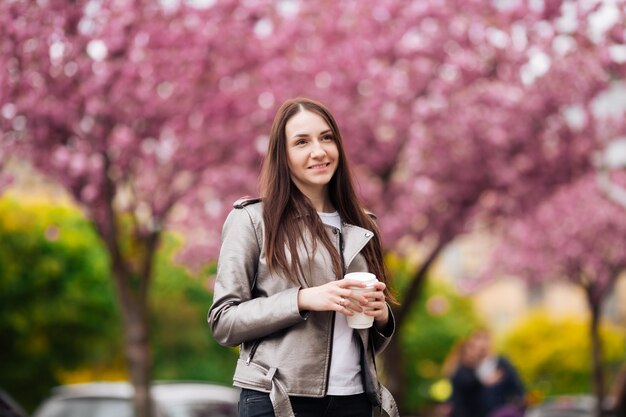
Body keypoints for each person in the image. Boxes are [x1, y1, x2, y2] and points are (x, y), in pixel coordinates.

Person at [208, 97, 398, 417]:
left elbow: (360, 341)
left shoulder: (365, 227)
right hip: (278, 400)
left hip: (355, 401)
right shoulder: (253, 220)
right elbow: (223, 322)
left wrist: (380, 317)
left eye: (326, 137)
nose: (319, 151)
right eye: (301, 142)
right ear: (283, 156)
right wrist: (303, 299)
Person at [472, 330, 526, 417]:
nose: (482, 343)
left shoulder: (502, 363)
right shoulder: (470, 367)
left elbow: (517, 387)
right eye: (478, 339)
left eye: (485, 339)